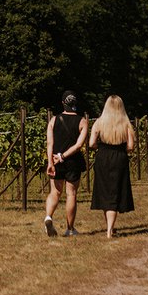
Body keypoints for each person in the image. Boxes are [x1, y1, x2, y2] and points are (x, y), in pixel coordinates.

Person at [89, 95, 135, 238]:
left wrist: (101, 146)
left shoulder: (99, 123)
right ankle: (110, 229)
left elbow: (91, 144)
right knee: (115, 191)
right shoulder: (126, 124)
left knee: (105, 192)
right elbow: (131, 146)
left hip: (103, 157)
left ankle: (109, 227)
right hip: (119, 158)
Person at [44, 90, 88, 237]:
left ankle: (48, 216)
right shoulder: (82, 121)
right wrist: (63, 156)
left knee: (54, 192)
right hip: (72, 161)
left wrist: (51, 161)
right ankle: (70, 229)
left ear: (63, 103)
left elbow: (50, 143)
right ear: (75, 103)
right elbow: (78, 146)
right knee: (71, 194)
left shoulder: (54, 120)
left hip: (55, 160)